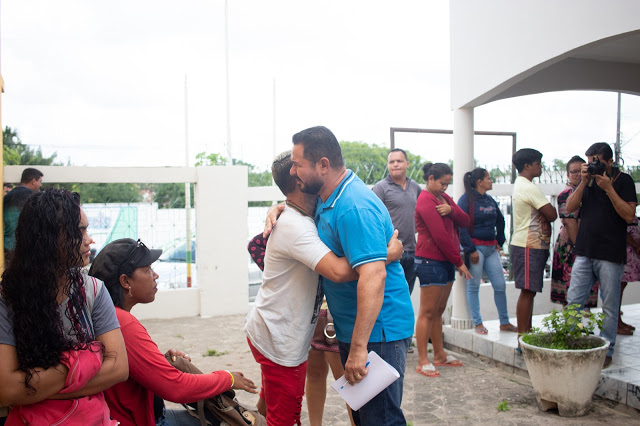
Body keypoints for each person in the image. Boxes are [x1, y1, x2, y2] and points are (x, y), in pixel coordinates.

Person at [246, 151, 402, 426]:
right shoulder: (297, 224)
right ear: (299, 180)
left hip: (283, 332)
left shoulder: (316, 210)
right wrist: (386, 254)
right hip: (280, 337)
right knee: (284, 416)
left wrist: (279, 207)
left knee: (275, 400)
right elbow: (340, 271)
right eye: (303, 167)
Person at [288, 126, 414, 426]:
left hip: (378, 333)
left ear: (323, 164)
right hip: (354, 329)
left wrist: (359, 349)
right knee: (365, 417)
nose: (294, 172)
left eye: (298, 164)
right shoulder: (327, 196)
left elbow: (374, 276)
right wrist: (280, 208)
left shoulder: (353, 206)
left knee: (380, 420)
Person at [90, 238, 258, 426]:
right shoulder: (123, 322)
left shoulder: (107, 315)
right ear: (125, 281)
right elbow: (175, 387)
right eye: (147, 270)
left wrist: (158, 361)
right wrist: (227, 378)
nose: (155, 276)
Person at [0, 189, 128, 425]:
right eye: (80, 231)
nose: (90, 239)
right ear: (47, 236)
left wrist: (37, 391)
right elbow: (7, 389)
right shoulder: (6, 297)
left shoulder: (94, 291)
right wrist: (82, 362)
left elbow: (118, 368)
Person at [566, 142, 637, 368]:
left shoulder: (623, 181)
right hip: (585, 251)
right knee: (574, 301)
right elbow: (569, 206)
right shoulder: (586, 182)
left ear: (609, 161)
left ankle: (607, 350)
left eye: (597, 161)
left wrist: (608, 189)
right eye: (590, 162)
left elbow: (628, 215)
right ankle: (569, 343)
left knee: (609, 305)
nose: (594, 165)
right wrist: (584, 181)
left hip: (610, 253)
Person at [414, 163, 471, 377]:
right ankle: (422, 360)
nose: (445, 188)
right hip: (431, 261)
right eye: (442, 183)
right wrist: (459, 262)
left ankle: (439, 354)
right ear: (430, 179)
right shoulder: (426, 201)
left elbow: (465, 220)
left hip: (445, 260)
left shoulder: (444, 199)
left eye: (448, 184)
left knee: (438, 311)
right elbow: (440, 236)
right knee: (427, 312)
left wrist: (451, 209)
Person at [458, 168, 517, 335]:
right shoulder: (466, 200)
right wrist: (470, 249)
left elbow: (501, 221)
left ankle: (504, 322)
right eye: (489, 179)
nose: (491, 181)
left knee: (500, 285)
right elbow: (461, 226)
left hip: (491, 249)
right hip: (475, 250)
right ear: (479, 182)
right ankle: (478, 323)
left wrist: (499, 241)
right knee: (474, 286)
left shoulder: (489, 200)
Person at [510, 149, 557, 336]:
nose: (541, 167)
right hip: (528, 245)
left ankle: (527, 333)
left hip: (532, 245)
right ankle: (523, 336)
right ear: (527, 166)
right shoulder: (528, 187)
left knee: (530, 291)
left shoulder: (523, 184)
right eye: (538, 163)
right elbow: (552, 215)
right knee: (528, 291)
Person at [550, 156, 599, 308]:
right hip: (573, 248)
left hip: (589, 246)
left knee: (586, 294)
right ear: (568, 175)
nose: (578, 175)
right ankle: (570, 329)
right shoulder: (566, 195)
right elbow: (571, 224)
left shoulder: (592, 191)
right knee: (571, 294)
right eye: (574, 172)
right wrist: (580, 250)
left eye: (581, 171)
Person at [372, 148, 422, 294]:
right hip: (391, 252)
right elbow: (373, 219)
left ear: (407, 164)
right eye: (391, 162)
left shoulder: (414, 187)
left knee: (406, 295)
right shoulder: (381, 188)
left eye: (399, 161)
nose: (395, 164)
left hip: (412, 250)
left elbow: (422, 211)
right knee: (391, 296)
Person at [3, 167, 43, 252]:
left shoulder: (7, 196)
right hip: (25, 248)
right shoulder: (34, 197)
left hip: (6, 246)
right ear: (33, 181)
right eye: (40, 182)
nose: (40, 185)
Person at [619, 218, 640, 335]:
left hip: (631, 249)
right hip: (625, 248)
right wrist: (636, 245)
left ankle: (618, 321)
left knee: (622, 285)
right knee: (618, 286)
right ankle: (616, 322)